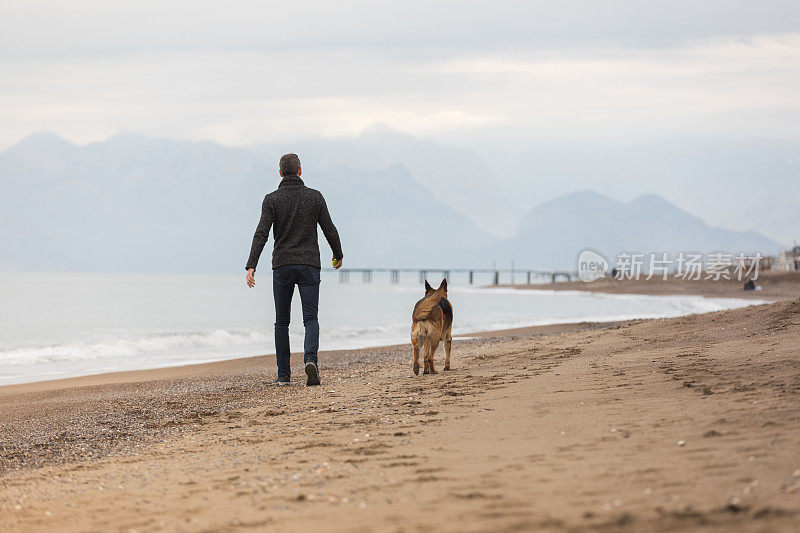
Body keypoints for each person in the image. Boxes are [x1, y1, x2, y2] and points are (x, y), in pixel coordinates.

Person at [245, 153, 343, 386]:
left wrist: (251, 265)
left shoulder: (271, 200)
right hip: (309, 264)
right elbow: (329, 228)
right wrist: (338, 255)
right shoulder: (315, 197)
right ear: (300, 170)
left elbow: (261, 233)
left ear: (280, 173)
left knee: (282, 322)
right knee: (311, 318)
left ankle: (284, 375)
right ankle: (311, 361)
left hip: (282, 266)